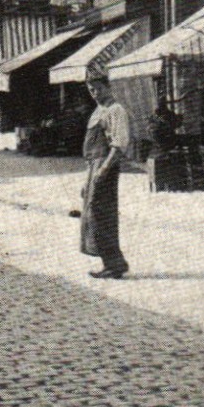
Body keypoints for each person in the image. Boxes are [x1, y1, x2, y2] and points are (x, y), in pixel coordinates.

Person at [80, 69, 131, 278]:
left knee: (102, 214)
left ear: (107, 87)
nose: (95, 93)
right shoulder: (97, 111)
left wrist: (103, 170)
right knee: (92, 215)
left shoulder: (115, 110)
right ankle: (111, 262)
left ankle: (114, 263)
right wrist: (87, 180)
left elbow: (118, 145)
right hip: (94, 167)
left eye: (98, 89)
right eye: (91, 90)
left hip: (105, 166)